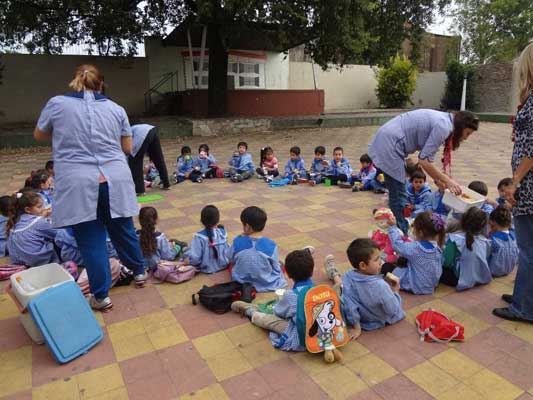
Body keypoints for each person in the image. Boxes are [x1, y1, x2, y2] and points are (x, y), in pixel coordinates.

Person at [34, 64, 148, 312]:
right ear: (100, 84)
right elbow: (127, 147)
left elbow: (39, 134)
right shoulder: (116, 109)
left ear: (75, 80)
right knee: (123, 227)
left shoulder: (57, 104)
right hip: (114, 179)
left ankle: (101, 296)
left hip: (78, 182)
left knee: (91, 239)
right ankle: (139, 271)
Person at [368, 109, 480, 234]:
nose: (466, 138)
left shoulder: (445, 121)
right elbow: (424, 161)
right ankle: (401, 235)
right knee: (398, 196)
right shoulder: (443, 126)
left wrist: (441, 180)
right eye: (467, 133)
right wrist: (447, 181)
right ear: (461, 126)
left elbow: (427, 160)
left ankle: (397, 230)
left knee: (396, 193)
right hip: (391, 144)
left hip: (389, 140)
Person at [493, 44, 533, 322]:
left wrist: (516, 181)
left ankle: (524, 308)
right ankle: (523, 296)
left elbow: (531, 148)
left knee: (528, 249)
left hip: (529, 185)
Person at [231, 249, 315, 351]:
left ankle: (251, 311)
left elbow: (278, 313)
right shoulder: (320, 289)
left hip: (302, 338)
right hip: (326, 334)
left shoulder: (291, 295)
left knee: (271, 320)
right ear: (312, 271)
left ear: (288, 274)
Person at [324, 239, 404, 333]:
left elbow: (350, 307)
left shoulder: (348, 275)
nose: (381, 262)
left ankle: (334, 273)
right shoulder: (381, 286)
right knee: (341, 286)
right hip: (375, 320)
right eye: (376, 259)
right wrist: (395, 291)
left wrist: (356, 327)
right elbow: (392, 310)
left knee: (342, 286)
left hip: (362, 319)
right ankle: (334, 274)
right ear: (363, 265)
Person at [380, 212, 445, 295]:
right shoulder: (437, 247)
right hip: (431, 285)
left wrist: (393, 227)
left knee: (386, 267)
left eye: (414, 227)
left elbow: (397, 244)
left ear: (420, 232)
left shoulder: (415, 248)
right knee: (403, 260)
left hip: (416, 285)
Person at [230, 206, 287, 292]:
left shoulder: (237, 242)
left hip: (242, 282)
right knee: (280, 265)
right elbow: (275, 267)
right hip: (267, 283)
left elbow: (230, 259)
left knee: (233, 265)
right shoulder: (271, 245)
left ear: (247, 226)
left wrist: (239, 238)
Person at [441, 207, 492, 291]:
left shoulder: (455, 239)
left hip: (458, 278)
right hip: (480, 275)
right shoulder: (485, 241)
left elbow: (446, 262)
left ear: (463, 220)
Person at [6, 191, 60, 267]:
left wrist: (41, 217)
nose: (43, 209)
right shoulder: (38, 223)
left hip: (21, 264)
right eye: (39, 207)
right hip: (40, 264)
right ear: (28, 209)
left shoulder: (13, 222)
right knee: (62, 239)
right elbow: (59, 233)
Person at [183, 205, 230, 274]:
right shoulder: (223, 233)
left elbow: (196, 259)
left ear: (201, 221)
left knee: (186, 251)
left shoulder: (199, 237)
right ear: (218, 220)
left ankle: (182, 248)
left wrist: (189, 262)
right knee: (188, 250)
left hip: (207, 269)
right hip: (224, 265)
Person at [129, 124, 170, 195]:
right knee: (158, 159)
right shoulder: (132, 128)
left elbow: (129, 151)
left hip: (142, 134)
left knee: (135, 162)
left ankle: (139, 190)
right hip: (152, 130)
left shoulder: (122, 134)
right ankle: (166, 184)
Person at [138, 206, 178, 271]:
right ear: (156, 219)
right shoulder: (160, 237)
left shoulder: (135, 235)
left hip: (141, 265)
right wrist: (175, 248)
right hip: (156, 266)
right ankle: (178, 246)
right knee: (178, 244)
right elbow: (168, 256)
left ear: (140, 220)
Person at [488, 206, 518, 277]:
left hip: (493, 271)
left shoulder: (493, 239)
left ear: (493, 223)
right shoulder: (515, 237)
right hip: (509, 270)